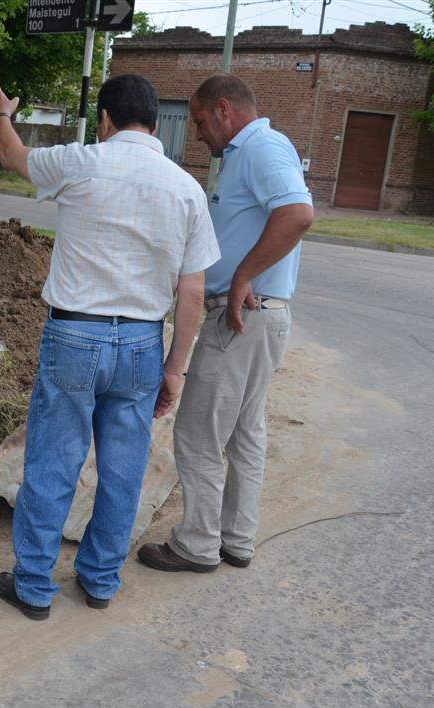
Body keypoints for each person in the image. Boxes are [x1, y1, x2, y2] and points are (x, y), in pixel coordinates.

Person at [0, 75, 220, 620]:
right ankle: (98, 581)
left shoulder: (80, 162)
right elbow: (193, 294)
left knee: (53, 462)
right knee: (123, 468)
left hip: (75, 335)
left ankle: (34, 588)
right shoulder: (186, 188)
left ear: (106, 121)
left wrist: (4, 112)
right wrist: (175, 369)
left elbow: (11, 155)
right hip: (142, 342)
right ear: (156, 123)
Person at [137, 74, 314, 574]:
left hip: (240, 318)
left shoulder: (261, 147)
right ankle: (235, 540)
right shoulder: (250, 153)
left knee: (198, 433)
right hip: (260, 319)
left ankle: (196, 545)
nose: (196, 134)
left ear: (223, 110)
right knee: (243, 435)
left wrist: (241, 276)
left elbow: (299, 215)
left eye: (197, 121)